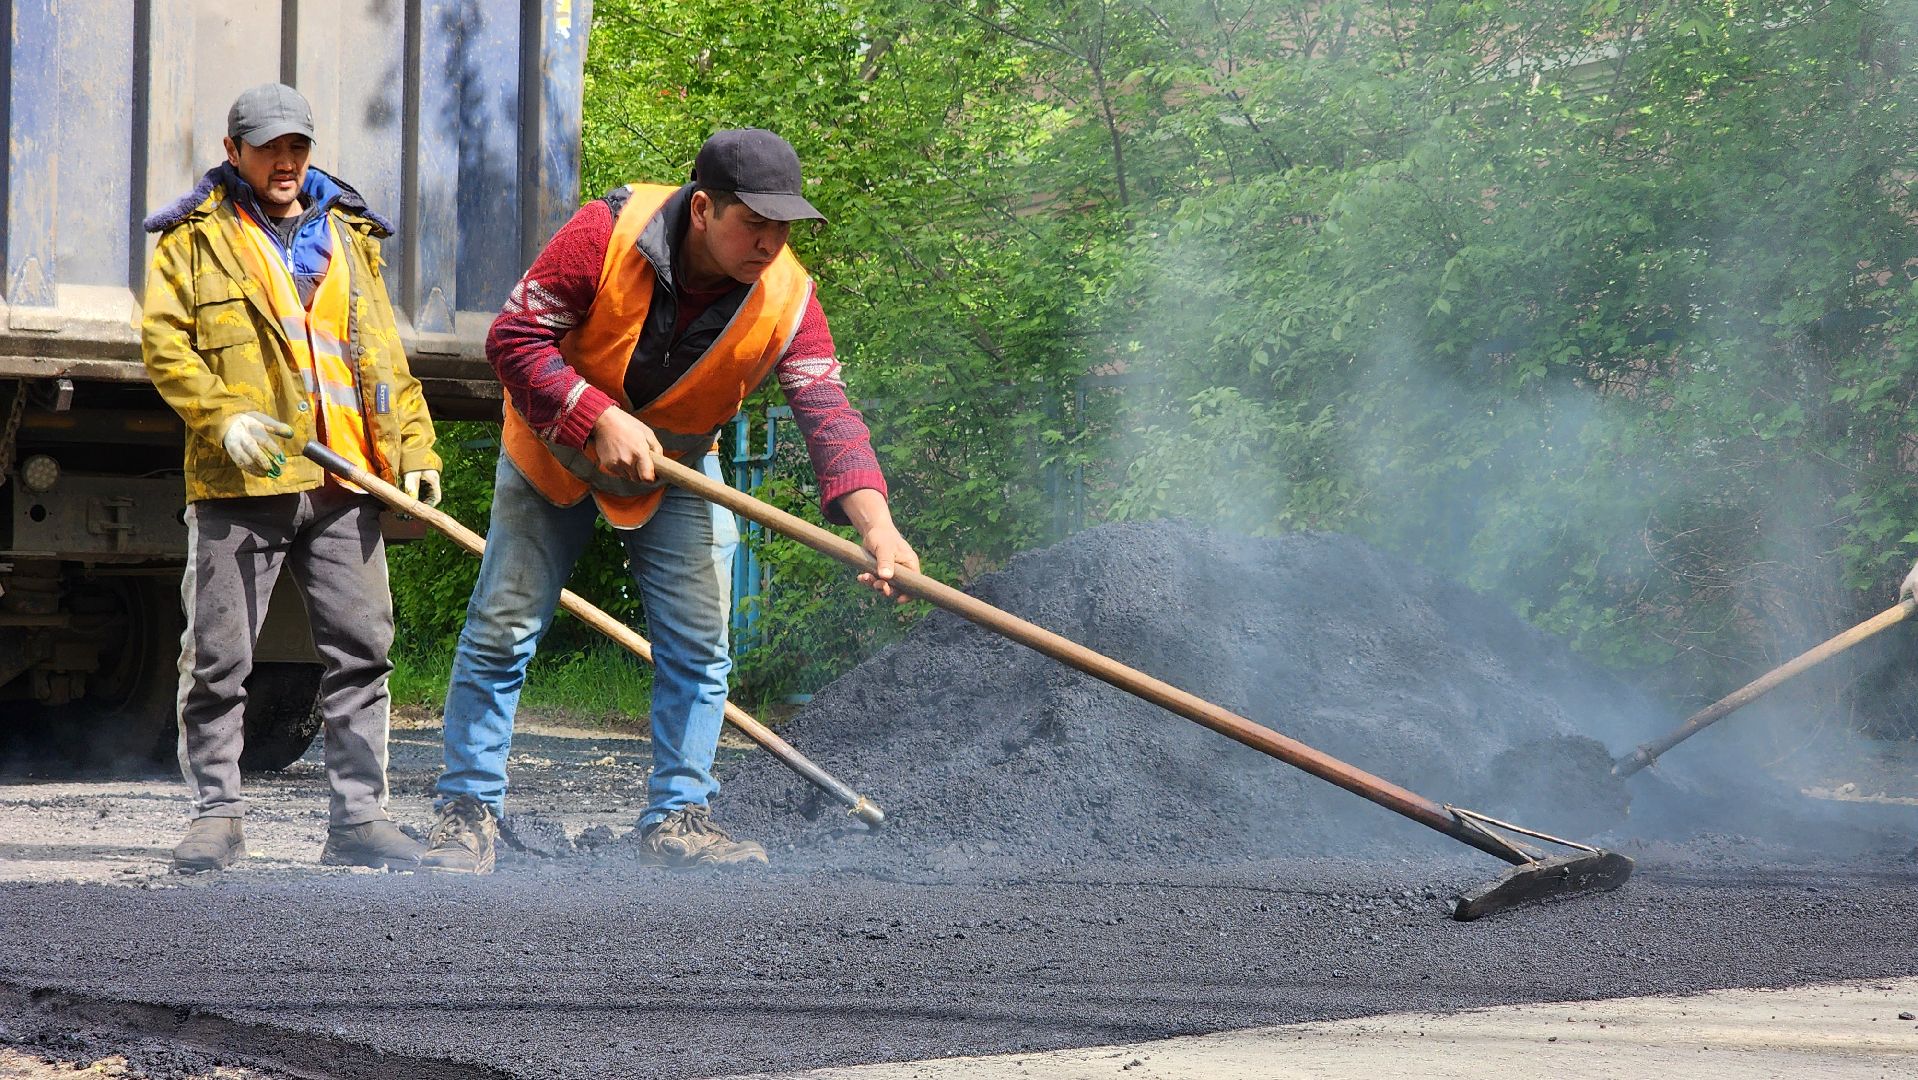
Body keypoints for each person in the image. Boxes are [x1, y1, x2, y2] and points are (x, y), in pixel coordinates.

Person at [420, 128, 918, 873]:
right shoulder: (605, 231)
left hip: (674, 471)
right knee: (503, 630)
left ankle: (679, 819)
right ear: (702, 210)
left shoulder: (790, 298)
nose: (771, 243)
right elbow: (513, 336)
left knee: (699, 648)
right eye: (755, 222)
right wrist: (594, 413)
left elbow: (828, 413)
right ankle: (465, 813)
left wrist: (878, 526)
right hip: (551, 453)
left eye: (784, 226)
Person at [141, 83, 442, 873]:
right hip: (244, 482)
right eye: (271, 147)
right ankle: (216, 816)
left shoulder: (349, 236)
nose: (287, 162)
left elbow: (383, 357)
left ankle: (359, 821)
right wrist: (222, 419)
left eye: (298, 147)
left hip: (348, 484)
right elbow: (166, 349)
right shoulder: (192, 241)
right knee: (218, 657)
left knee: (363, 652)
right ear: (234, 151)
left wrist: (414, 453)